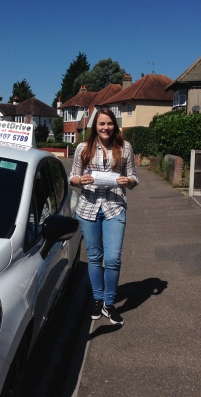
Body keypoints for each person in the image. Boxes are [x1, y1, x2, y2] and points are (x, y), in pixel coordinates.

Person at [69, 109, 138, 325]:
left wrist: (129, 182)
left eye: (109, 124)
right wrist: (80, 181)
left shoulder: (125, 148)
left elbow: (134, 176)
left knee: (112, 258)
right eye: (101, 124)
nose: (105, 127)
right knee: (94, 257)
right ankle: (97, 300)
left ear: (114, 126)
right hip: (88, 208)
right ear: (95, 126)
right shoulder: (83, 147)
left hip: (115, 207)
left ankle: (109, 303)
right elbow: (72, 176)